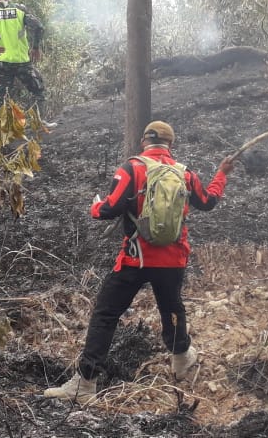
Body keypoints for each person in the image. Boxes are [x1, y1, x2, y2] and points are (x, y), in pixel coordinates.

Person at [43, 121, 236, 403]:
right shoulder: (185, 174)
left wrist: (94, 206)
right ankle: (181, 357)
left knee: (106, 314)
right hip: (173, 259)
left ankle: (85, 384)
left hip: (136, 258)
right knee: (171, 307)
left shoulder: (132, 168)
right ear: (171, 144)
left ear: (144, 141)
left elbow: (109, 209)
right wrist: (221, 174)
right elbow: (208, 201)